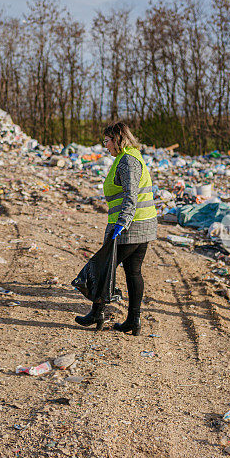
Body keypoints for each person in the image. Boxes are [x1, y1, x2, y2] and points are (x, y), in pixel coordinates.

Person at [75, 122, 157, 336]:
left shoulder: (128, 161)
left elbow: (131, 194)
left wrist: (122, 222)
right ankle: (133, 320)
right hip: (143, 223)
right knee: (133, 271)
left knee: (104, 268)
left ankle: (97, 313)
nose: (105, 145)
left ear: (118, 139)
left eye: (107, 141)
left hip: (131, 226)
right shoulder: (130, 157)